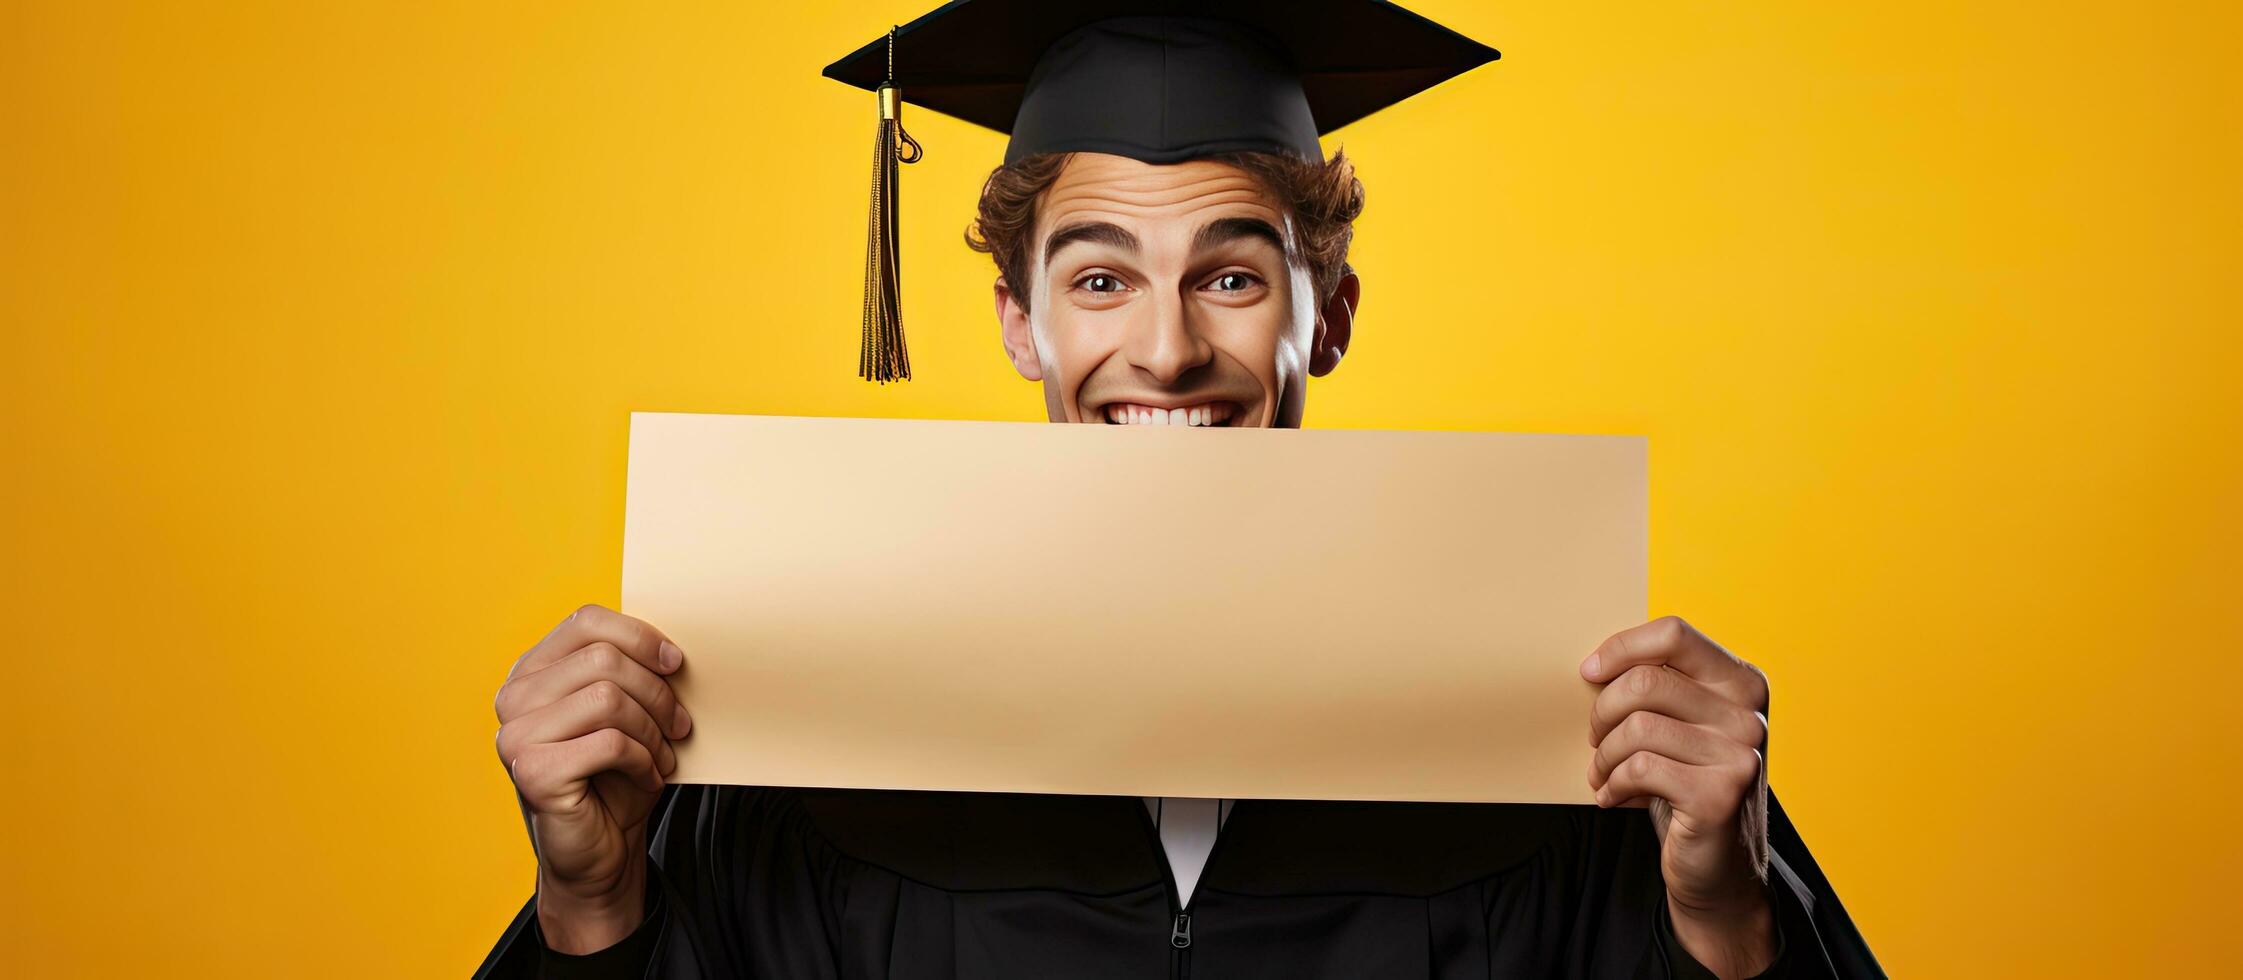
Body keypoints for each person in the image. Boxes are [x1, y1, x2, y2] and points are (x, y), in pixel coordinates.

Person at [476, 4, 1881, 977]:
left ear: (1325, 315)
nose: (1163, 347)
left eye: (1230, 274)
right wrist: (593, 899)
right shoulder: (807, 738)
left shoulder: (1566, 731)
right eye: (1098, 279)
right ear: (1021, 325)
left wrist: (1727, 923)